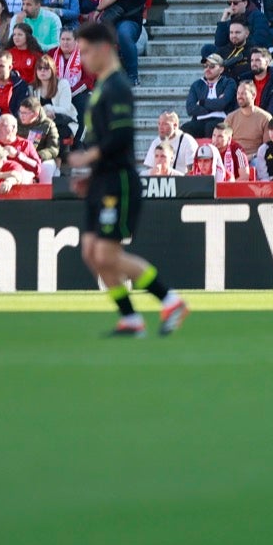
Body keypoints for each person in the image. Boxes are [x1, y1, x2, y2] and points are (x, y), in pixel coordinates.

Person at [66, 21, 188, 339]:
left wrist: (86, 159)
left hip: (117, 180)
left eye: (86, 51)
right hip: (101, 179)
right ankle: (131, 319)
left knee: (106, 254)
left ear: (104, 49)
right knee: (91, 252)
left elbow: (119, 137)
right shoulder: (103, 87)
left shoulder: (118, 86)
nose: (82, 59)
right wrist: (90, 175)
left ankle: (170, 300)